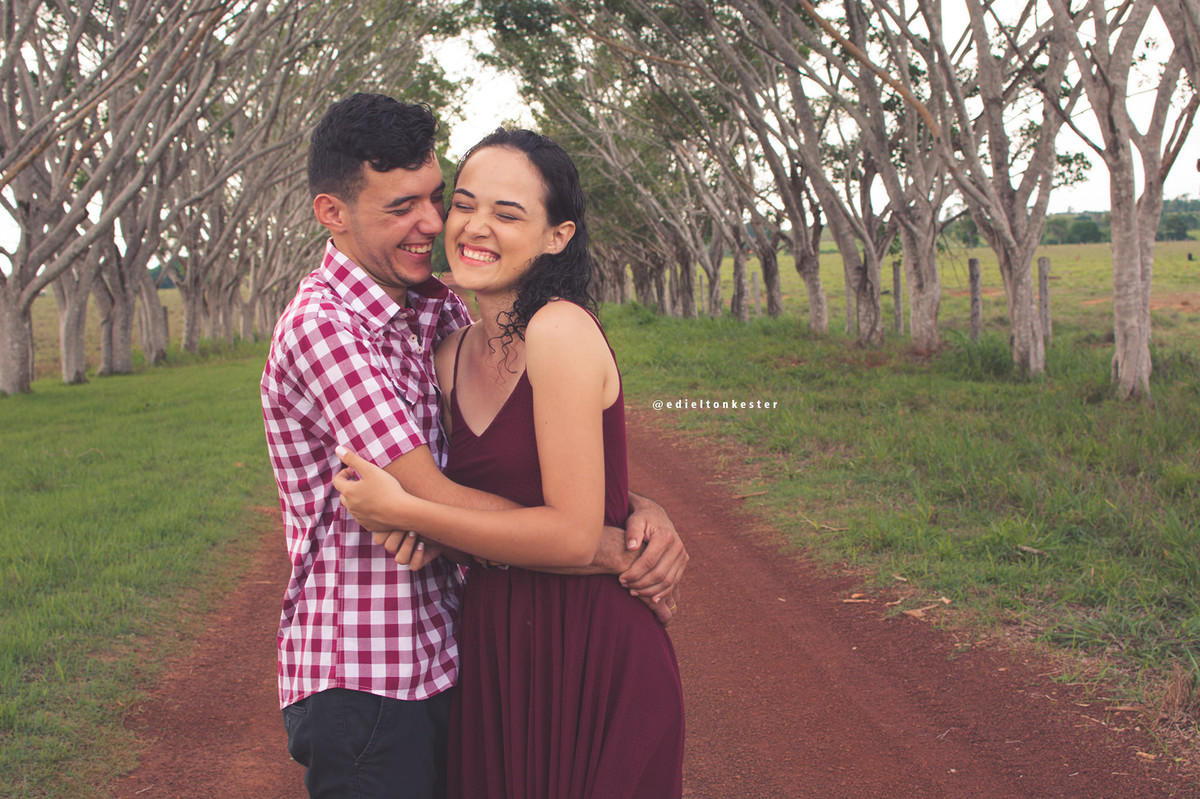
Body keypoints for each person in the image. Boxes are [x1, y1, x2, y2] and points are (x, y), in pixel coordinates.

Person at [260, 95, 686, 799]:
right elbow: (428, 493)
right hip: (367, 677)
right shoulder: (323, 327)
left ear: (558, 235)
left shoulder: (442, 311)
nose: (435, 224)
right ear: (332, 213)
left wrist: (639, 506)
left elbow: (508, 471)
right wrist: (607, 546)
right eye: (405, 207)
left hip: (467, 659)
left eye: (435, 198)